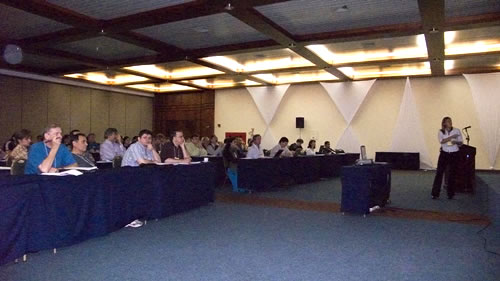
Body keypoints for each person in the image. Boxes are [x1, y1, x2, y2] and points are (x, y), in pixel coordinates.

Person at [432, 117, 463, 200]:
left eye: (450, 121)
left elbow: (460, 143)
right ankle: (435, 193)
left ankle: (451, 194)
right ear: (444, 123)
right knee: (439, 173)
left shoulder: (457, 130)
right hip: (444, 153)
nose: (450, 122)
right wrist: (452, 137)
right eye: (448, 121)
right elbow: (441, 141)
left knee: (452, 174)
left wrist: (455, 141)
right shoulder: (441, 132)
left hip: (454, 154)